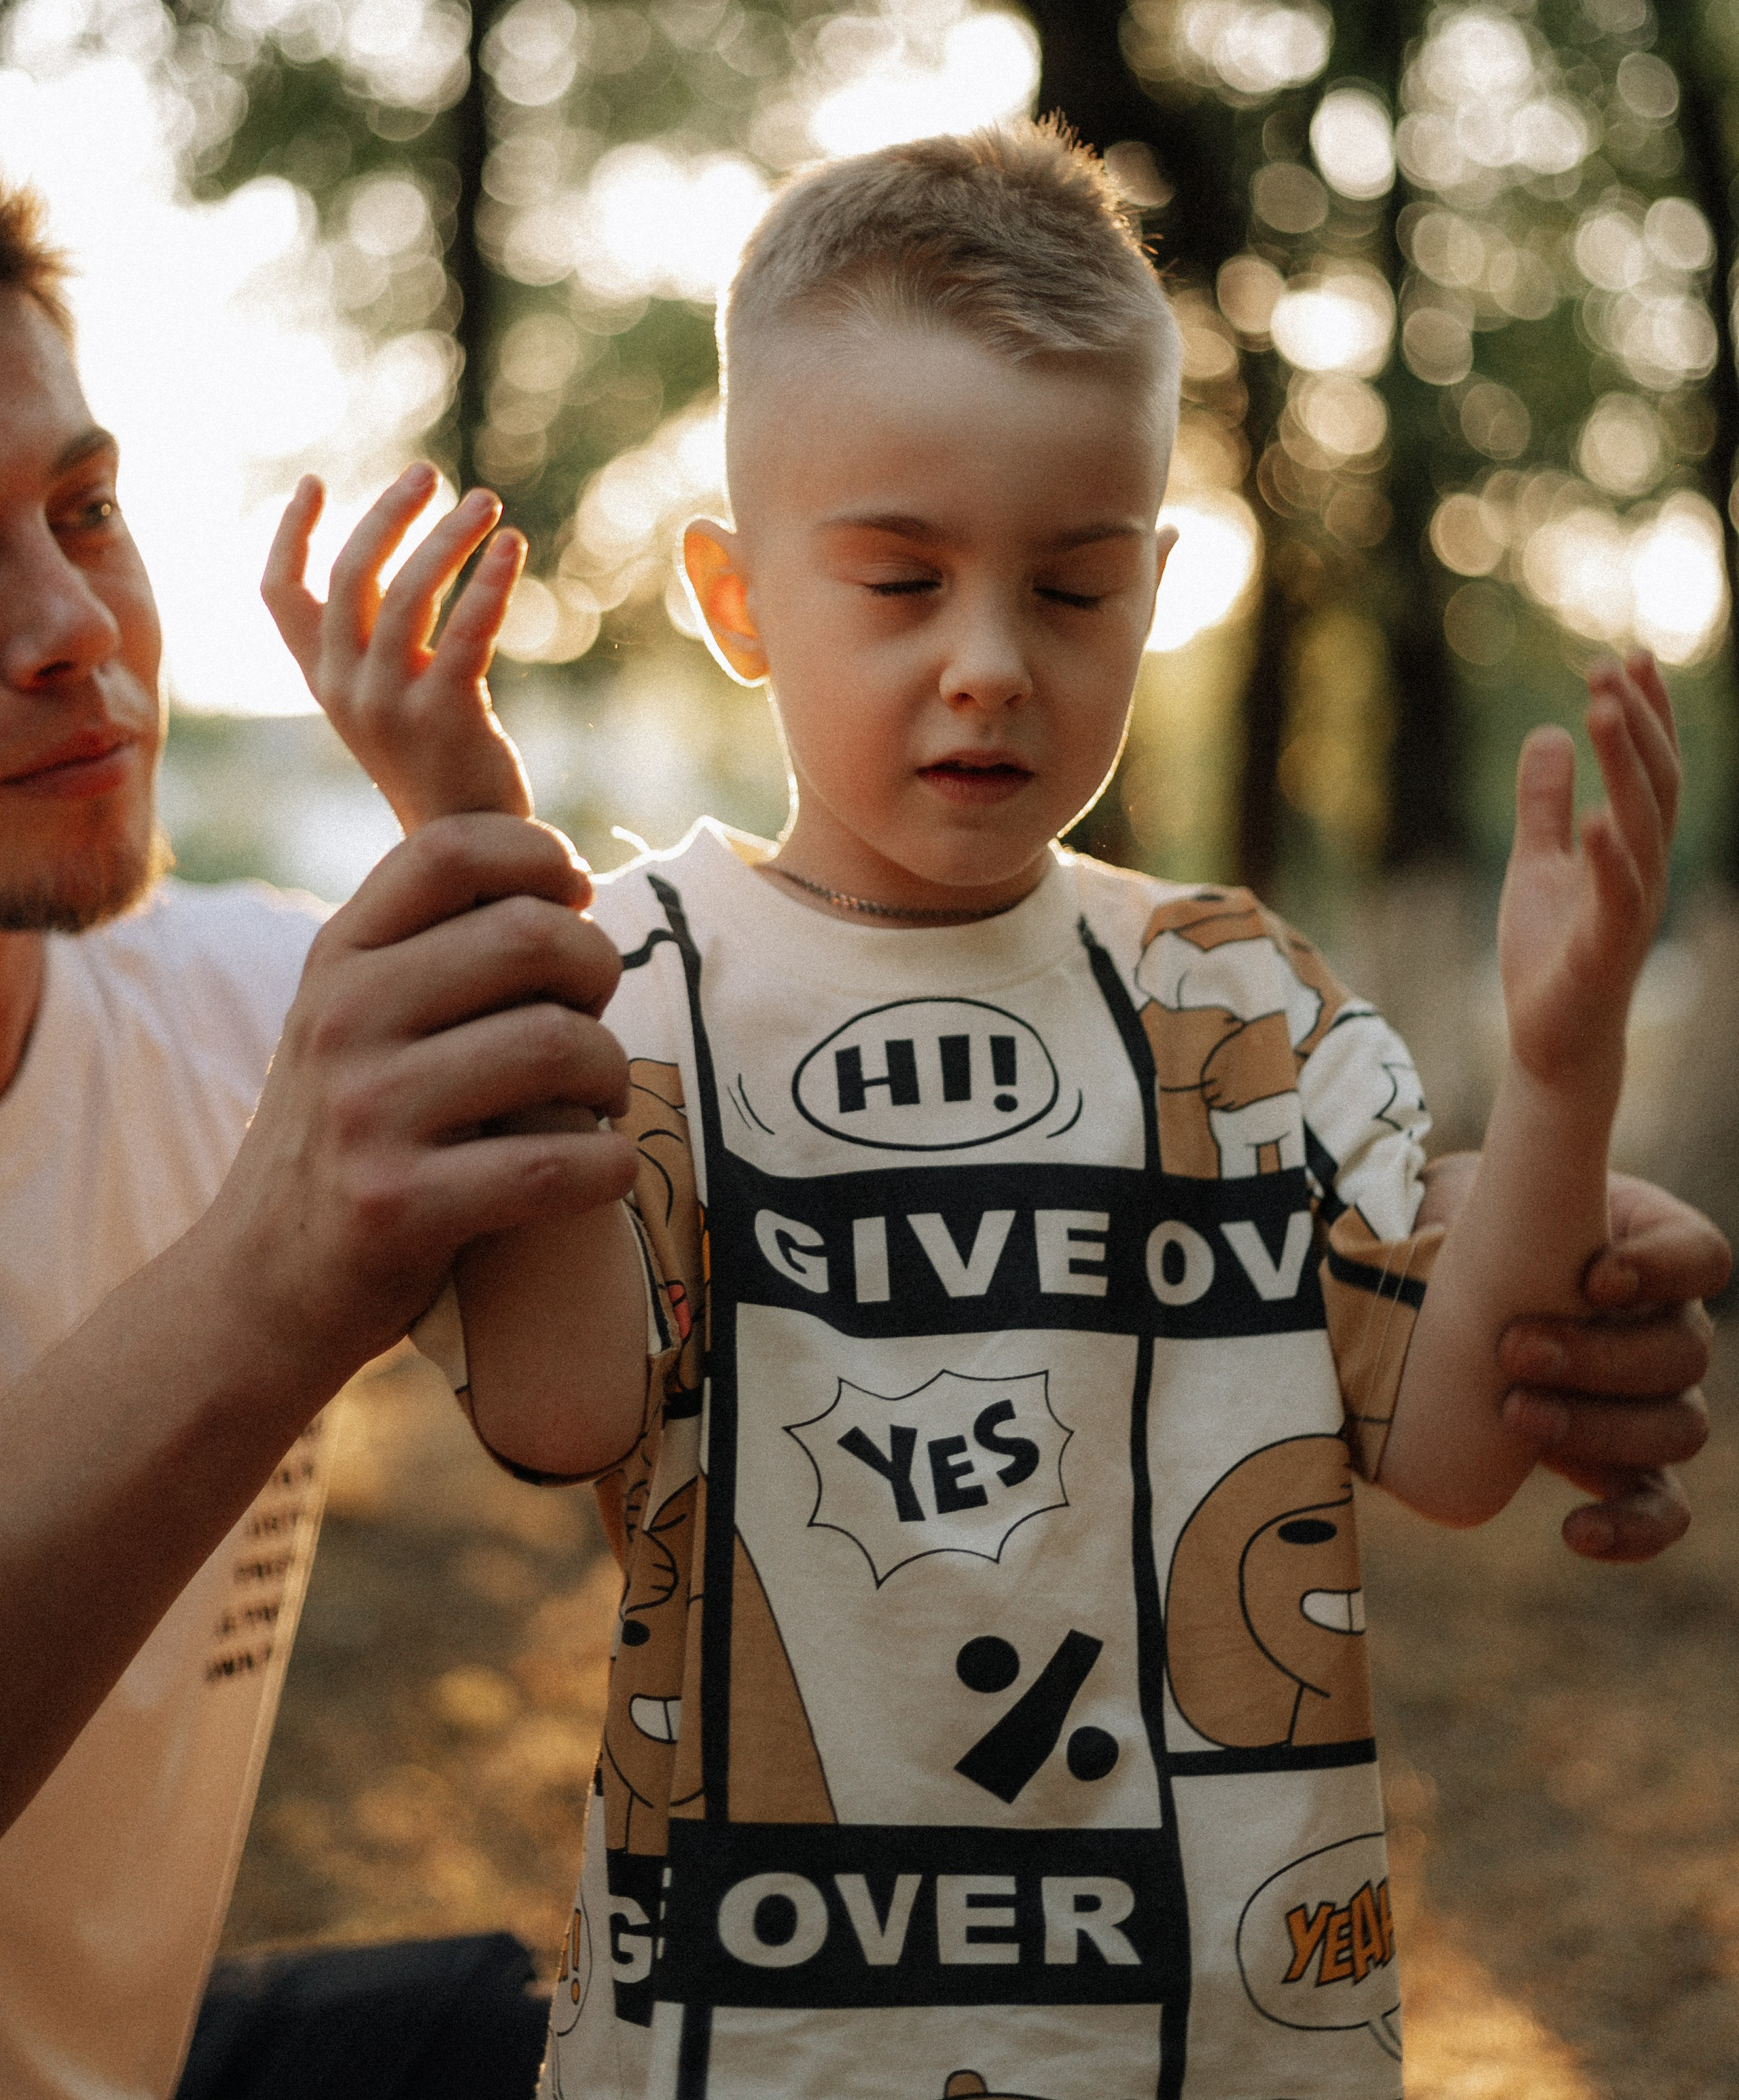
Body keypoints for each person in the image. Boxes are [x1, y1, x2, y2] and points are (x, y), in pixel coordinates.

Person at [268, 120, 1728, 2100]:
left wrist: (1562, 1069)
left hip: (1226, 2042)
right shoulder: (630, 984)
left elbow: (1457, 1450)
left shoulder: (1234, 995)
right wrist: (467, 823)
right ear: (737, 594)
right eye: (899, 579)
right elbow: (560, 1409)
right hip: (759, 2043)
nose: (988, 667)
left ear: (1157, 587)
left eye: (1068, 588)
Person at [0, 181, 641, 2100]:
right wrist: (265, 1281)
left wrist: (1463, 1269)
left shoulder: (244, 1013)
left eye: (84, 513)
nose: (66, 630)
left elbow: (799, 1196)